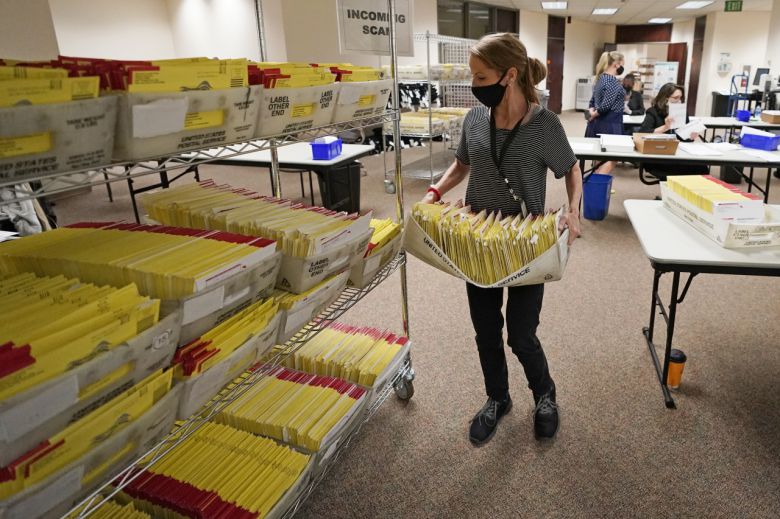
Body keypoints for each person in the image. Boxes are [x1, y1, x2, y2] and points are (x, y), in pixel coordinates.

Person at [420, 33, 582, 444]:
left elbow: (571, 170)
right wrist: (436, 192)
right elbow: (461, 165)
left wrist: (573, 210)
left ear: (509, 75)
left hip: (528, 241)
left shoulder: (545, 125)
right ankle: (498, 397)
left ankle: (545, 394)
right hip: (480, 240)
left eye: (480, 77)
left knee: (521, 333)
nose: (474, 86)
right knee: (486, 331)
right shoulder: (475, 120)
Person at [638, 83, 709, 181]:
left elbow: (684, 139)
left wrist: (690, 136)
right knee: (684, 171)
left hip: (677, 154)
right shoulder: (653, 112)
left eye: (680, 98)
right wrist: (665, 127)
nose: (679, 101)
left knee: (702, 168)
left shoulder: (682, 113)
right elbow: (642, 134)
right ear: (665, 98)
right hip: (658, 156)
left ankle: (684, 195)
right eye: (676, 98)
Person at [585, 51, 626, 173]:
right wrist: (594, 114)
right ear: (617, 64)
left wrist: (592, 113)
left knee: (599, 158)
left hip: (598, 124)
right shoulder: (612, 81)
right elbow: (605, 106)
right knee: (613, 157)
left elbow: (593, 101)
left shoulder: (600, 78)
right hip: (610, 124)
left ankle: (598, 187)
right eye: (623, 64)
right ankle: (598, 186)